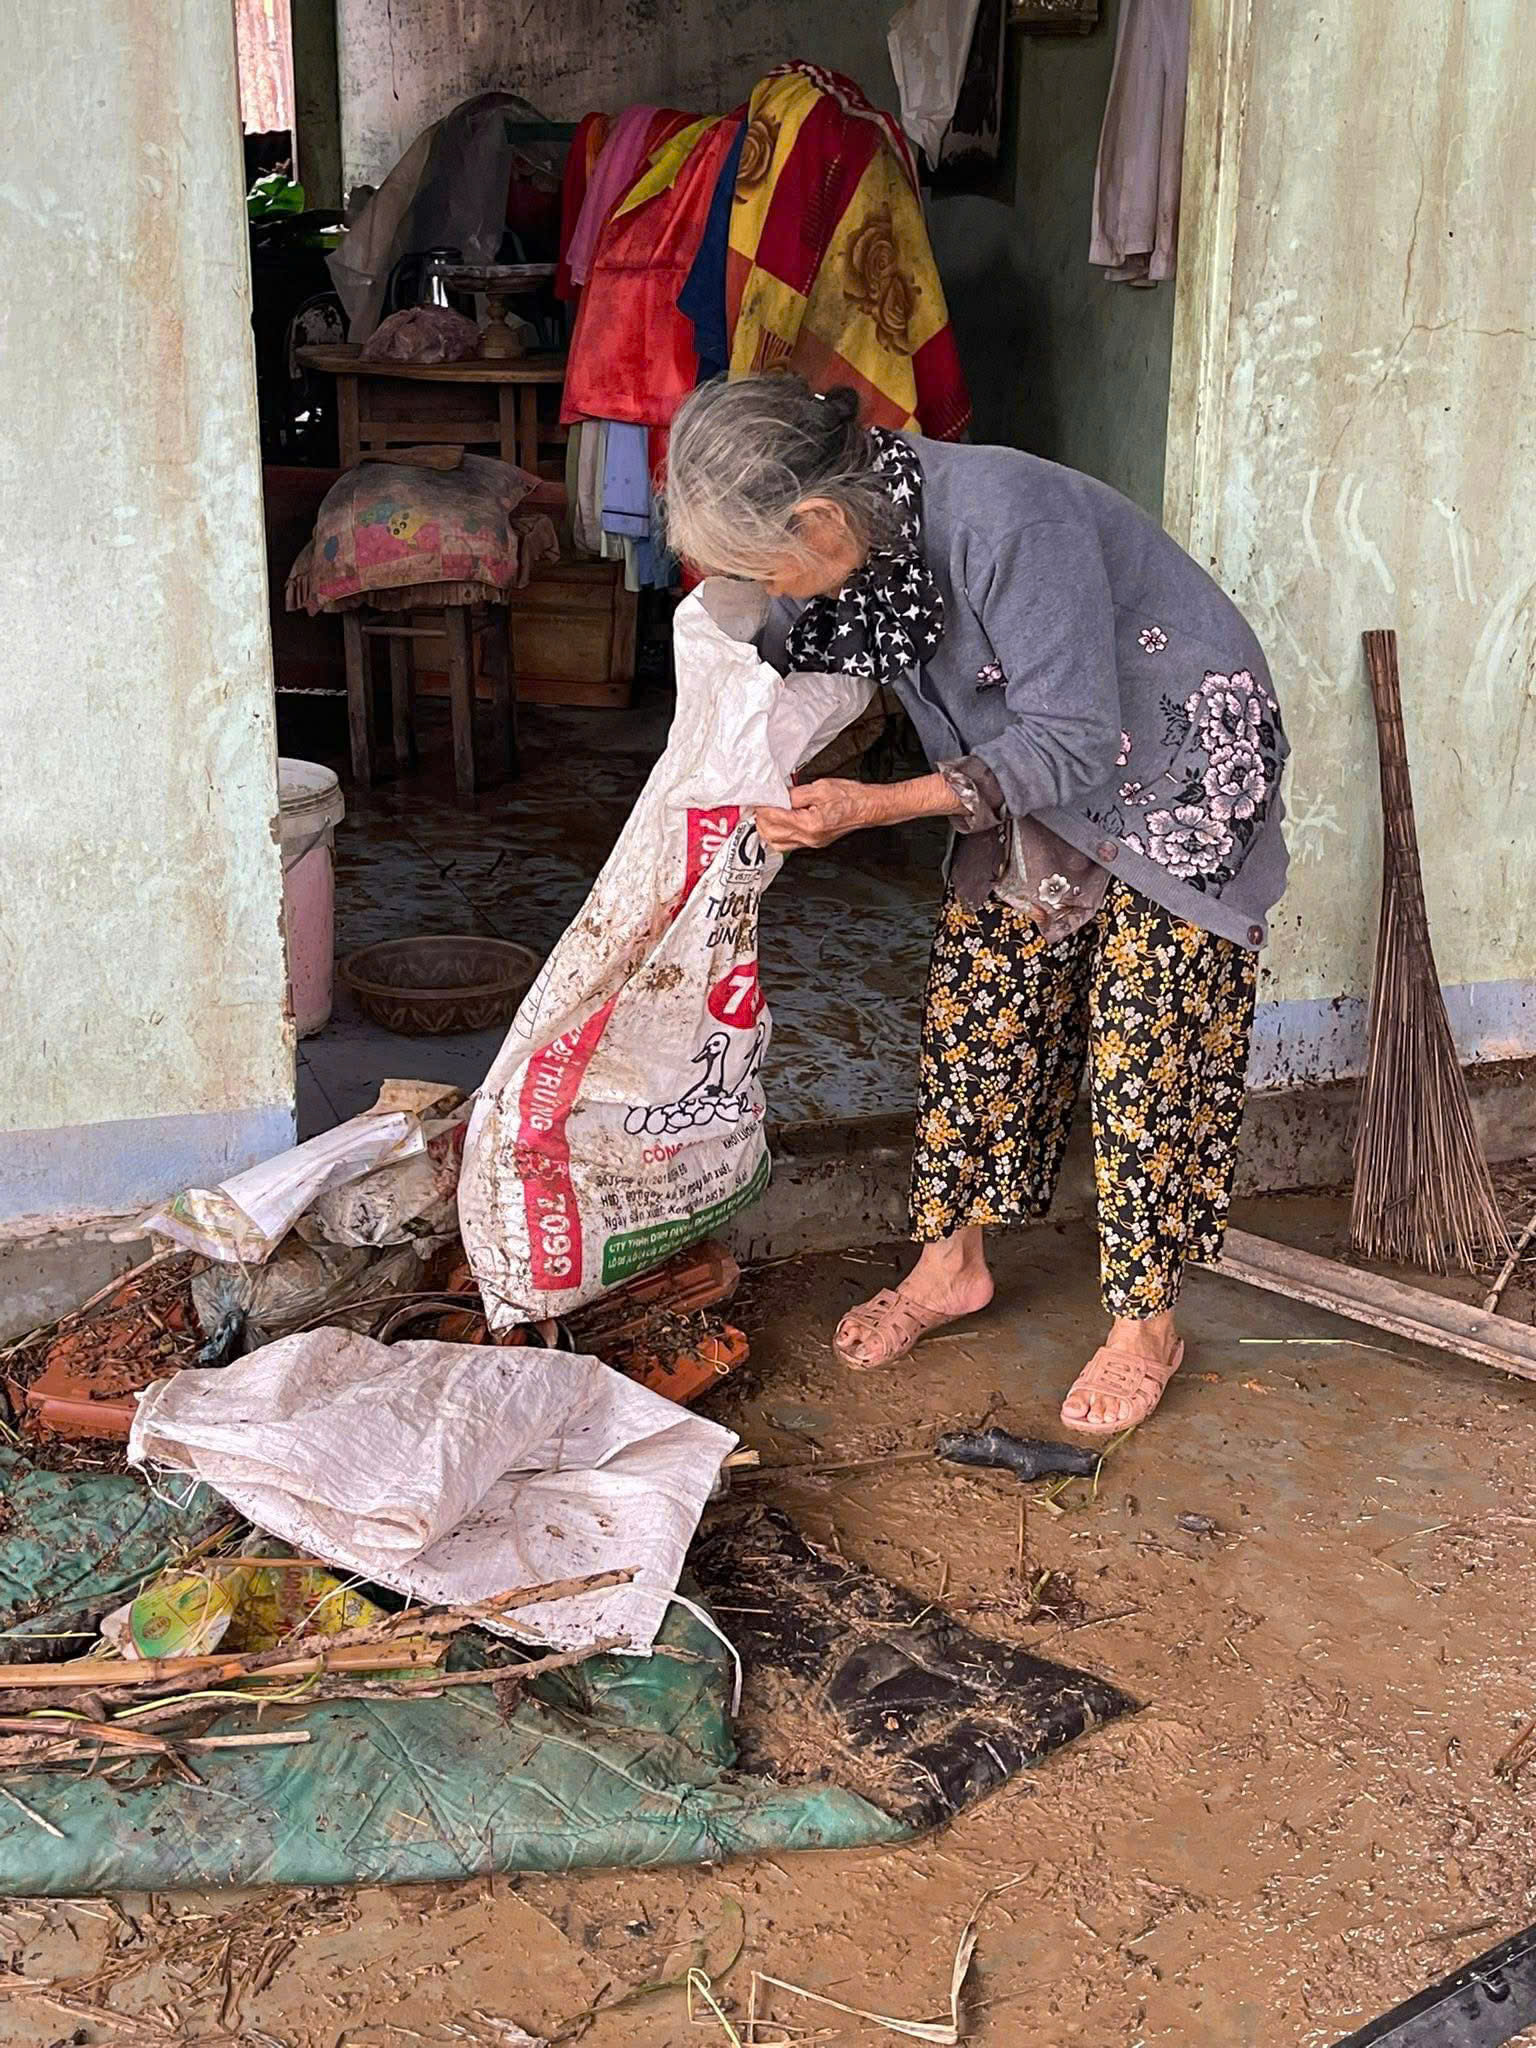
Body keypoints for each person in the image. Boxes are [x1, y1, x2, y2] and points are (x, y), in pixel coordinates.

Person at [661, 375, 1288, 1437]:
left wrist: (876, 804)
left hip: (1171, 761)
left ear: (818, 520)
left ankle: (1145, 1326)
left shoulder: (1004, 520)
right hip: (1033, 764)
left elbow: (1076, 738)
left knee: (1149, 1044)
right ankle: (949, 1267)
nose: (770, 590)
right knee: (981, 1013)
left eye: (766, 565)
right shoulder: (857, 541)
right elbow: (781, 648)